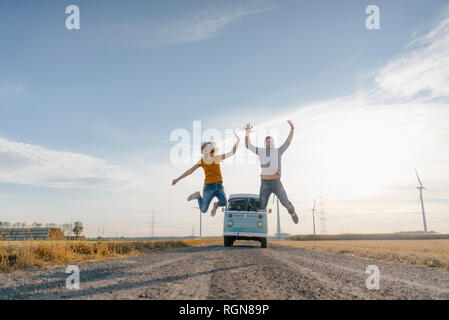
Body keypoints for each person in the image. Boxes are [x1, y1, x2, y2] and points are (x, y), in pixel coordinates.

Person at [172, 134, 240, 216]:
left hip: (219, 186)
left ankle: (216, 205)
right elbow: (190, 171)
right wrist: (177, 179)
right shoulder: (202, 161)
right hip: (208, 187)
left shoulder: (217, 158)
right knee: (203, 210)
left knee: (224, 202)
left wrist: (238, 140)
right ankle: (198, 196)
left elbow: (232, 152)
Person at [244, 121, 299, 224]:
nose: (269, 143)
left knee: (285, 203)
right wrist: (247, 133)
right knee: (262, 206)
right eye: (267, 141)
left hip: (277, 183)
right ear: (265, 143)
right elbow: (247, 145)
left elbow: (288, 142)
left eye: (271, 141)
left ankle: (292, 213)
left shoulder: (278, 151)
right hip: (265, 183)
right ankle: (252, 202)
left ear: (273, 143)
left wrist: (292, 130)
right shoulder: (261, 151)